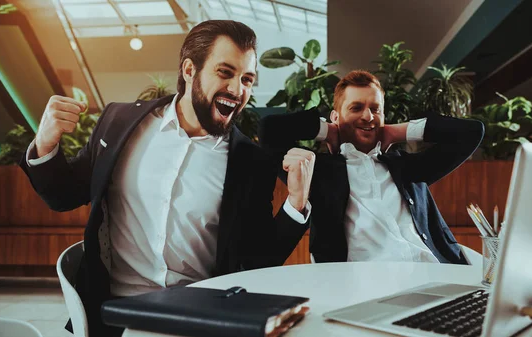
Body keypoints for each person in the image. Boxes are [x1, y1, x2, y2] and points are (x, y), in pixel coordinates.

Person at [20, 20, 313, 336]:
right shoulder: (119, 122)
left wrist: (295, 203)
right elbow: (63, 195)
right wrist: (46, 143)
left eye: (247, 79)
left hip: (198, 317)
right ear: (189, 70)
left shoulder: (251, 161)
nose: (237, 90)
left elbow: (257, 258)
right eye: (225, 73)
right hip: (113, 316)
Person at [259, 70, 484, 264]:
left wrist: (399, 131)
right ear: (336, 116)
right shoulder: (319, 173)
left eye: (376, 109)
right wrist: (328, 131)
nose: (368, 116)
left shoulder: (407, 167)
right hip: (366, 287)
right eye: (356, 108)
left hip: (436, 273)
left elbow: (471, 134)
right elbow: (269, 130)